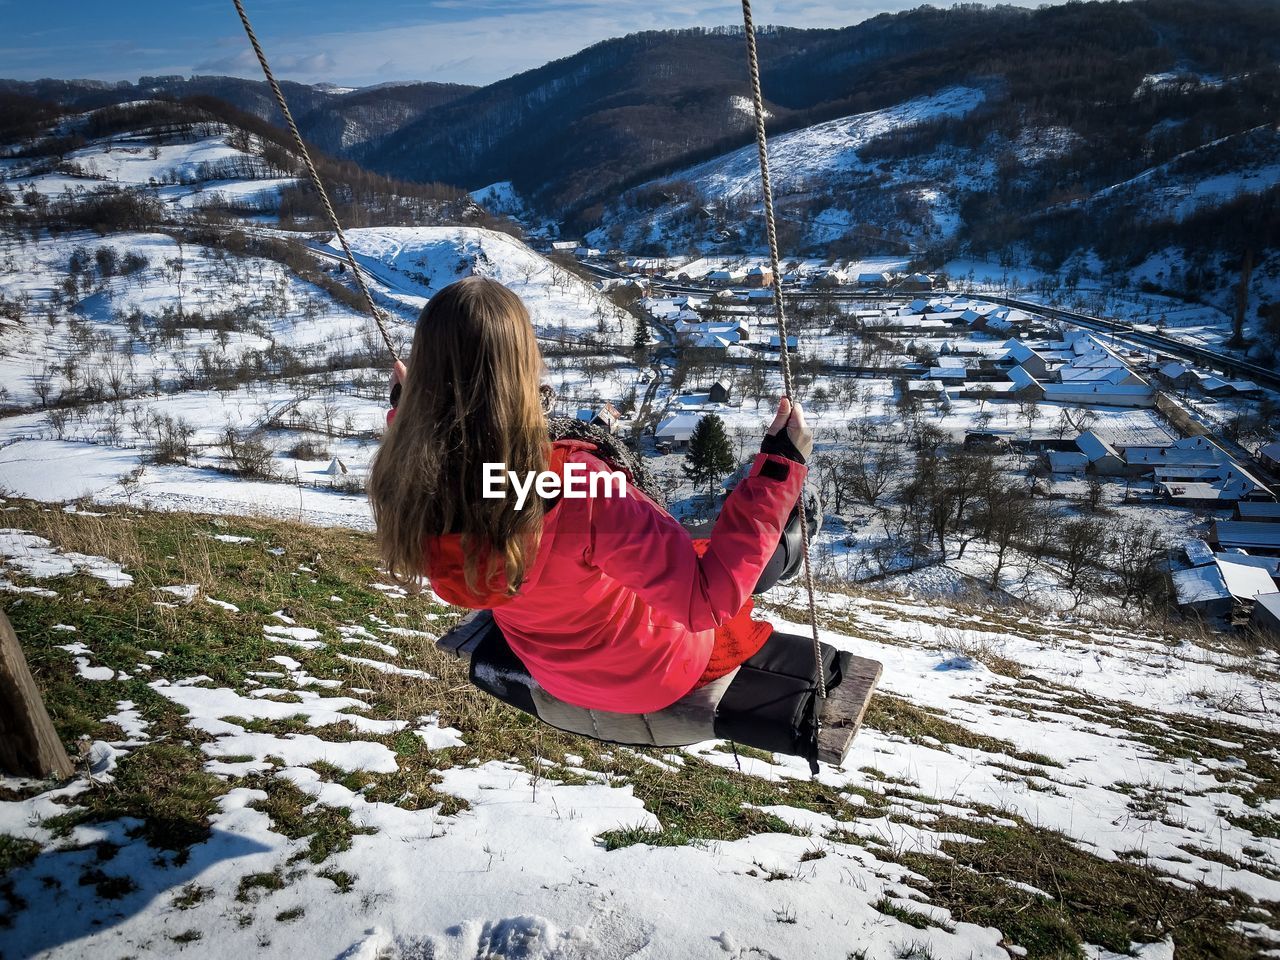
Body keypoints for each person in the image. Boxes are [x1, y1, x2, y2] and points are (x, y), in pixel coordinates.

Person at [369, 276, 812, 715]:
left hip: (551, 669)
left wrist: (408, 409)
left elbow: (447, 456)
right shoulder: (574, 484)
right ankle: (792, 544)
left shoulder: (410, 478)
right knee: (736, 553)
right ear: (524, 367)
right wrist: (779, 469)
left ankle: (787, 543)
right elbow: (703, 601)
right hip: (652, 674)